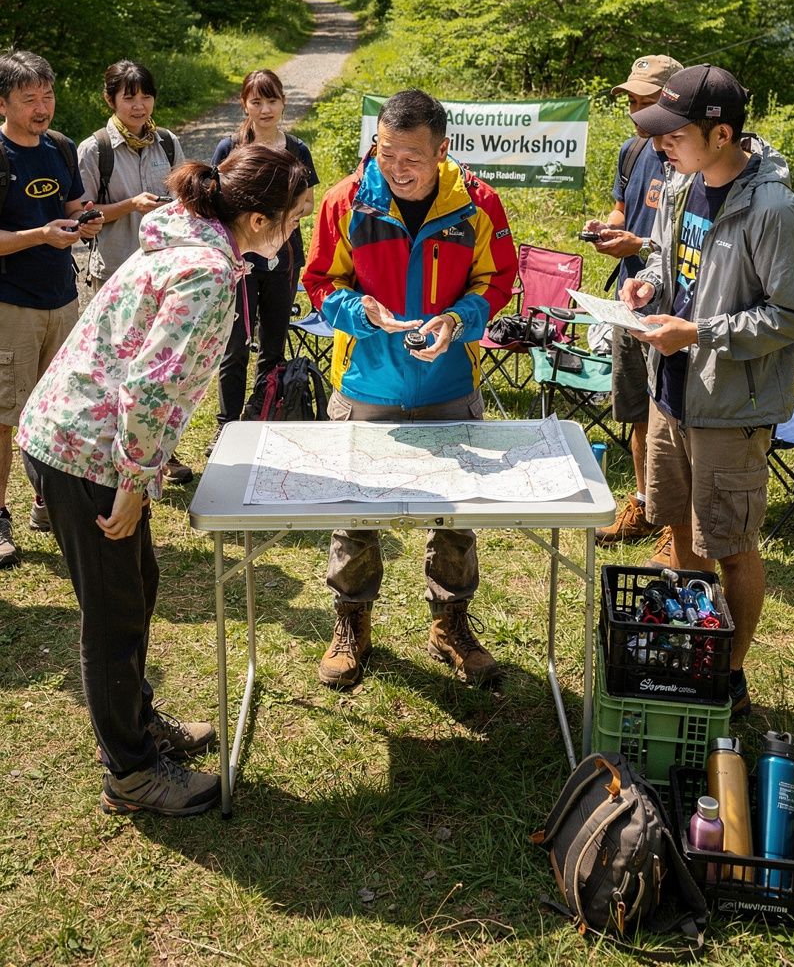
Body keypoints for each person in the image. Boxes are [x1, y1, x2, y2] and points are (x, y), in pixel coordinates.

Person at [18, 145, 309, 816]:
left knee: (138, 585)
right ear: (259, 219)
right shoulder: (206, 272)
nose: (299, 229)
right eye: (294, 217)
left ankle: (138, 724)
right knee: (115, 616)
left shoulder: (195, 236)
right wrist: (131, 483)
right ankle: (131, 772)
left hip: (83, 436)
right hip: (85, 452)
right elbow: (153, 389)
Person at [302, 89, 518, 690]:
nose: (395, 168)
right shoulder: (345, 200)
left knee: (453, 516)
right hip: (365, 384)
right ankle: (352, 625)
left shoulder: (478, 204)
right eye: (385, 152)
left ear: (443, 150)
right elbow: (319, 280)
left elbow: (498, 279)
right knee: (354, 514)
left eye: (411, 158)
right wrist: (358, 310)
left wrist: (459, 320)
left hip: (450, 384)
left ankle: (450, 622)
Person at [621, 64, 794, 717]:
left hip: (730, 411)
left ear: (723, 133)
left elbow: (791, 317)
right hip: (670, 393)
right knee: (679, 528)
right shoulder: (681, 182)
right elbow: (663, 254)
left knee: (730, 547)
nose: (660, 143)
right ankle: (693, 649)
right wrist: (647, 282)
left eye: (673, 132)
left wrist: (698, 333)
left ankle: (729, 677)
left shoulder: (775, 212)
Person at [0, 50, 103, 568]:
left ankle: (47, 500)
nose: (42, 108)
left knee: (58, 409)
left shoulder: (59, 148)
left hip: (63, 299)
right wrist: (40, 235)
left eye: (48, 96)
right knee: (4, 416)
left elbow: (68, 205)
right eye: (29, 99)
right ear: (4, 103)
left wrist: (84, 220)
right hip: (10, 304)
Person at [582, 53, 682, 562]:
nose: (636, 112)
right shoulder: (631, 150)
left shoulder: (687, 154)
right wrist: (607, 229)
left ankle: (676, 524)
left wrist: (637, 245)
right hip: (629, 298)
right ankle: (643, 505)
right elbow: (624, 208)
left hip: (674, 307)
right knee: (639, 413)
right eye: (632, 101)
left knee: (677, 417)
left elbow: (677, 240)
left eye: (647, 101)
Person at [77, 60, 191, 486]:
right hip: (116, 273)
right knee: (117, 365)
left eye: (145, 95)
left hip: (165, 270)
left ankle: (160, 452)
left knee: (160, 363)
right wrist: (129, 206)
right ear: (111, 100)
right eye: (129, 97)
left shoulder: (166, 142)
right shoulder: (95, 150)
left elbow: (184, 197)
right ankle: (110, 456)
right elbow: (80, 213)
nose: (139, 105)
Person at [210, 69, 317, 447]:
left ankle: (262, 418)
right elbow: (217, 202)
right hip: (240, 260)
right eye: (256, 101)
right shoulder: (229, 147)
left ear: (283, 103)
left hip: (285, 255)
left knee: (273, 344)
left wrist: (276, 223)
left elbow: (308, 201)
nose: (265, 108)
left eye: (272, 100)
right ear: (245, 105)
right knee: (234, 345)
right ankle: (226, 428)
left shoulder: (298, 150)